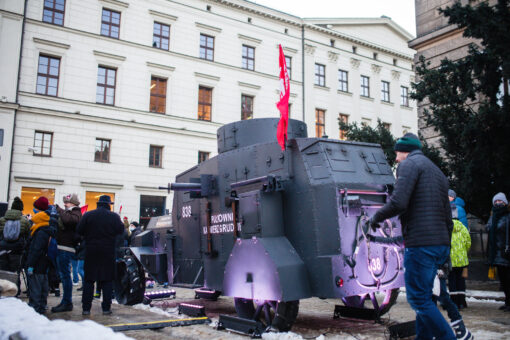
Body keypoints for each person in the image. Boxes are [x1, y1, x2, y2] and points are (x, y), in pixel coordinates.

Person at [368, 133, 456, 340]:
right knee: (426, 298)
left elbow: (399, 202)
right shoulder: (437, 171)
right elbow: (448, 218)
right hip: (439, 243)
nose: (396, 159)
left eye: (397, 153)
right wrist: (446, 251)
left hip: (421, 243)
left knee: (418, 299)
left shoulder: (408, 166)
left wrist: (376, 217)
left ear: (403, 151)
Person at [367, 233, 473, 340]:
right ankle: (452, 331)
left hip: (432, 273)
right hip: (433, 272)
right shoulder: (428, 233)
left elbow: (394, 241)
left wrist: (374, 239)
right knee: (433, 303)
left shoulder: (415, 235)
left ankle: (458, 331)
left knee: (440, 301)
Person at [77, 195, 123, 315]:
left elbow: (79, 230)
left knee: (89, 280)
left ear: (98, 204)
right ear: (108, 204)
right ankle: (106, 308)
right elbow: (121, 230)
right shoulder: (114, 216)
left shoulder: (88, 215)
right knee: (107, 281)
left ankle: (86, 308)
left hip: (91, 251)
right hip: (108, 252)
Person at [51, 194, 82, 313]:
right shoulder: (71, 212)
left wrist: (59, 210)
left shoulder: (76, 213)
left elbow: (69, 220)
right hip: (62, 247)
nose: (65, 204)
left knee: (65, 276)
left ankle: (67, 302)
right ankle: (66, 301)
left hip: (66, 248)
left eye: (67, 203)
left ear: (73, 203)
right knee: (63, 276)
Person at [25, 197, 55, 314]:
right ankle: (41, 306)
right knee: (43, 284)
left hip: (38, 262)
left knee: (36, 286)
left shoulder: (41, 230)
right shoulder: (48, 227)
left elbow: (36, 249)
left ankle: (35, 309)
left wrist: (30, 264)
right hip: (45, 261)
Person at [486, 192, 510, 312]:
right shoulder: (493, 215)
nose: (497, 203)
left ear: (505, 202)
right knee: (503, 280)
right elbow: (488, 228)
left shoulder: (507, 216)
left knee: (508, 279)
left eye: (500, 201)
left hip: (506, 252)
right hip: (497, 253)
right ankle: (507, 301)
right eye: (495, 201)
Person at [448, 206, 471, 310]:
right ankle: (462, 301)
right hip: (462, 260)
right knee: (461, 280)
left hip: (451, 260)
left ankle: (454, 302)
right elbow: (468, 242)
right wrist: (463, 252)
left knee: (452, 280)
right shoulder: (462, 227)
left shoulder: (447, 227)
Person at [0, 197, 30, 272]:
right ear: (21, 209)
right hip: (17, 249)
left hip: (3, 248)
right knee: (15, 272)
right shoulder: (25, 221)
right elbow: (27, 236)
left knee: (2, 270)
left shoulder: (2, 219)